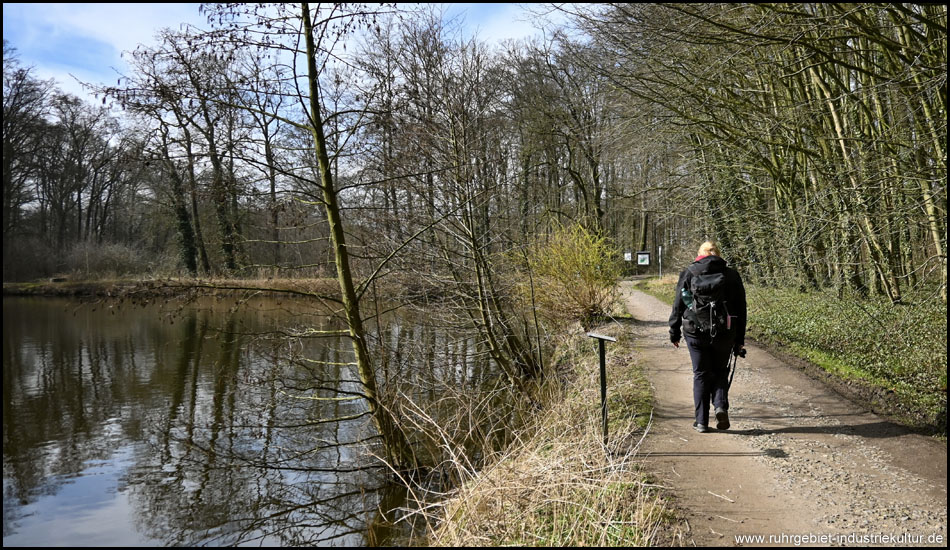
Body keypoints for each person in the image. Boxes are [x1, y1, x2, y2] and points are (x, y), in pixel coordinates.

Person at [668, 241, 747, 433]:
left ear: (699, 254)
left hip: (695, 331)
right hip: (725, 331)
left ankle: (701, 421)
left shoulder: (689, 272)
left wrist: (674, 331)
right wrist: (739, 339)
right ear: (718, 254)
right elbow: (741, 308)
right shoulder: (731, 275)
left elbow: (678, 304)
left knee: (701, 373)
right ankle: (720, 406)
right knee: (720, 371)